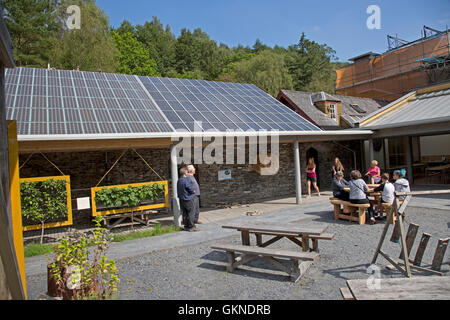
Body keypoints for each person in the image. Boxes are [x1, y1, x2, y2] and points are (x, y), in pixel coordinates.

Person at [177, 167, 198, 232]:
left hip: (182, 199)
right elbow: (190, 188)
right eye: (187, 172)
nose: (188, 173)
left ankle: (186, 226)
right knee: (191, 213)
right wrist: (193, 191)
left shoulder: (179, 180)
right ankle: (191, 226)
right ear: (185, 173)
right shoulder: (185, 180)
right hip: (188, 198)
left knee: (185, 213)